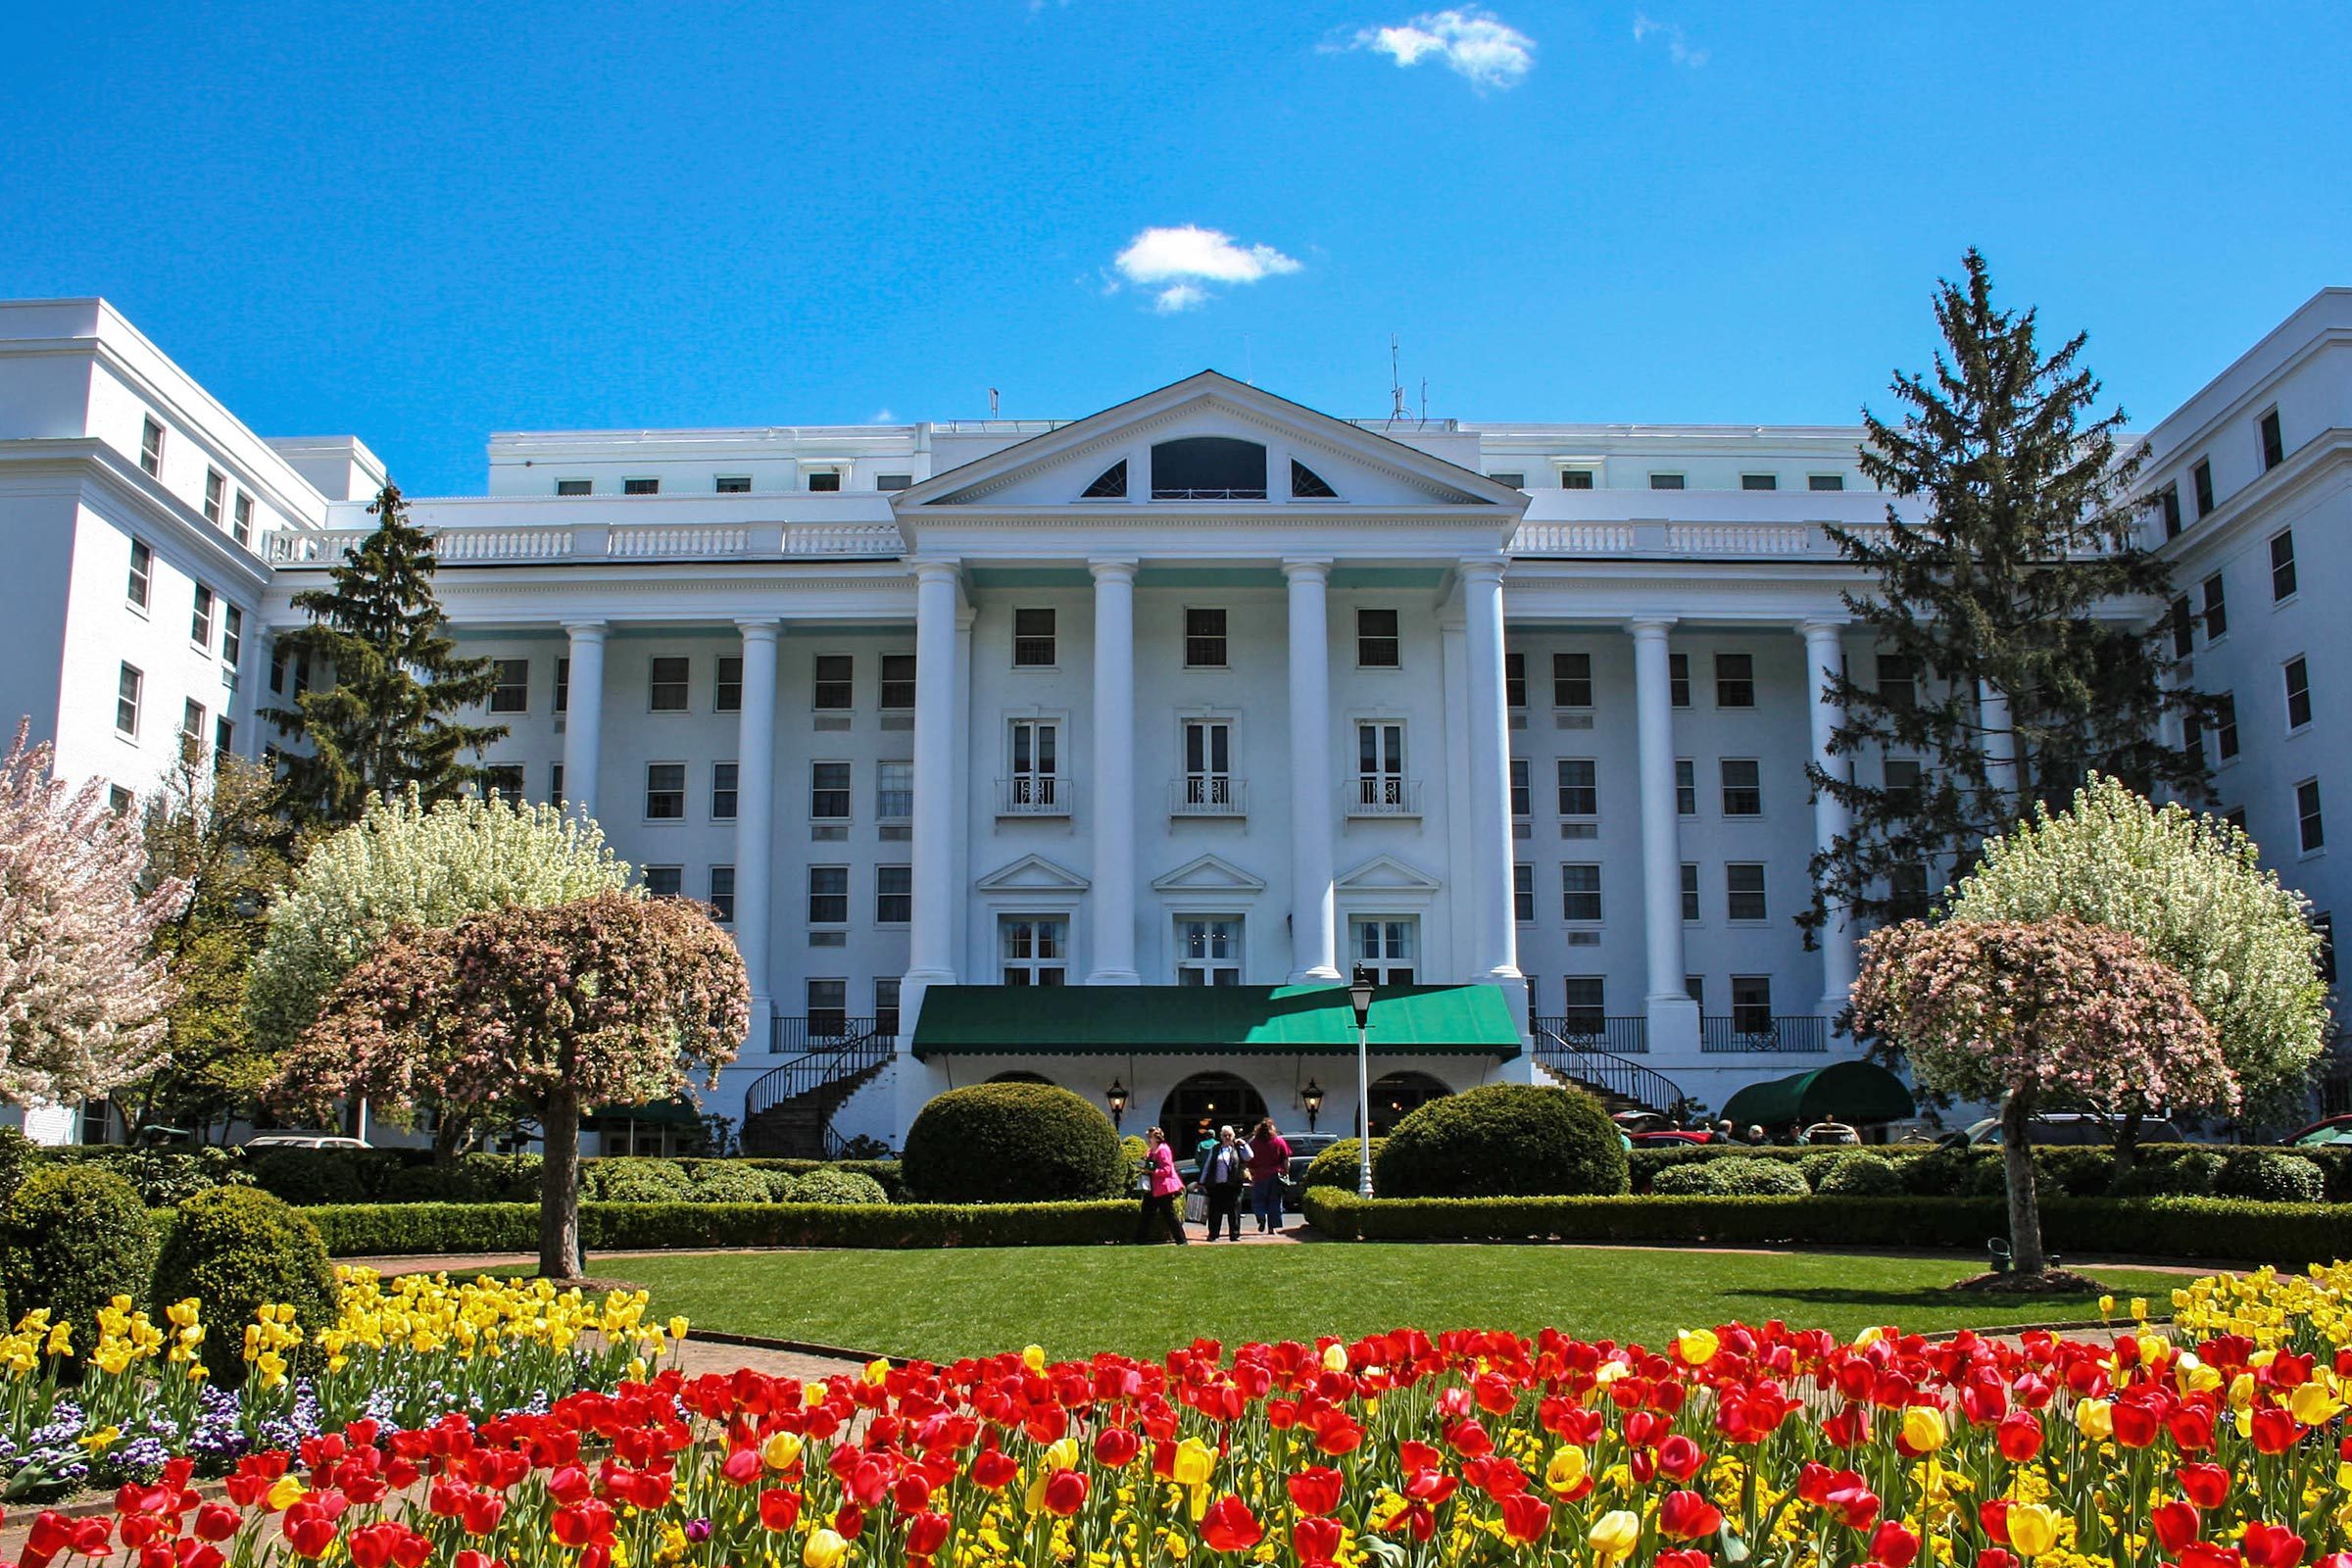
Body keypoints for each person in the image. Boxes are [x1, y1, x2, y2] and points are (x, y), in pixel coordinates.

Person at [1134, 1126, 1187, 1245]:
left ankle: (1181, 1240)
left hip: (1163, 1188)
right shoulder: (1151, 1151)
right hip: (1153, 1188)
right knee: (1146, 1213)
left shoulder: (1163, 1150)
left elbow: (1167, 1170)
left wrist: (1152, 1171)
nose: (1148, 1139)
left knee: (1169, 1214)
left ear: (1156, 1138)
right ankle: (1140, 1239)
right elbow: (1151, 1165)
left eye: (1150, 1137)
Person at [1199, 1124, 1251, 1241]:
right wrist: (1202, 1181)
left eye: (1229, 1135)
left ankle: (1235, 1234)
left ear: (1233, 1136)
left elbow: (1249, 1157)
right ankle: (1213, 1234)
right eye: (1224, 1135)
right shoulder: (1216, 1148)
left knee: (1234, 1211)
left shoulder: (1237, 1148)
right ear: (1221, 1136)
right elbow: (1208, 1164)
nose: (1227, 1137)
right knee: (1215, 1211)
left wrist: (1244, 1144)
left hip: (1233, 1185)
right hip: (1217, 1185)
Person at [1245, 1116, 1292, 1235]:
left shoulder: (1254, 1143)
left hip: (1259, 1175)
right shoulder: (1279, 1141)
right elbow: (1285, 1159)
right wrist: (1286, 1172)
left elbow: (1249, 1160)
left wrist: (1251, 1173)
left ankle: (1261, 1216)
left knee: (1258, 1200)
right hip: (1275, 1175)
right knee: (1274, 1201)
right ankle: (1272, 1228)